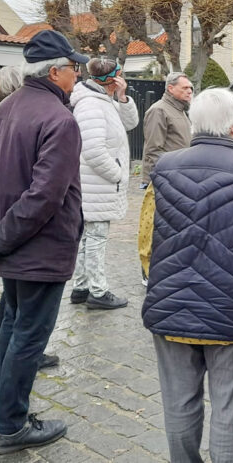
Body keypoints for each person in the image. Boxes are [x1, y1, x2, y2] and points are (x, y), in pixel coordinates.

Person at [138, 88, 233, 463]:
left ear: (194, 124)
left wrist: (160, 281)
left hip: (172, 305)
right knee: (230, 409)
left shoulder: (165, 169)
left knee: (178, 404)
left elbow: (146, 243)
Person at [0, 30, 88, 455]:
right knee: (27, 335)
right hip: (38, 249)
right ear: (55, 72)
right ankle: (11, 426)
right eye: (74, 68)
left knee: (12, 324)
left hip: (11, 247)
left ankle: (6, 406)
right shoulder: (59, 119)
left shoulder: (3, 110)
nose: (78, 74)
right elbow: (45, 196)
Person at [0, 65, 60, 370]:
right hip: (22, 228)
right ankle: (11, 409)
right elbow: (40, 188)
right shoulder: (22, 118)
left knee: (12, 309)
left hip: (4, 223)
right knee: (22, 320)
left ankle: (2, 362)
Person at [69, 57, 139, 309]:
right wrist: (117, 174)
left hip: (97, 184)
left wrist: (122, 97)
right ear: (112, 78)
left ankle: (81, 286)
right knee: (95, 238)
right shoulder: (91, 106)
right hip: (96, 184)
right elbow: (93, 150)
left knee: (88, 237)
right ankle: (98, 291)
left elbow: (130, 123)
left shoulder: (103, 100)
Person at [140, 71, 192, 187]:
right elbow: (153, 149)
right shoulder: (159, 111)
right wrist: (158, 179)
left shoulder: (180, 110)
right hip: (166, 178)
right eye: (185, 88)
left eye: (190, 88)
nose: (189, 91)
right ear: (171, 88)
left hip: (180, 175)